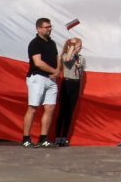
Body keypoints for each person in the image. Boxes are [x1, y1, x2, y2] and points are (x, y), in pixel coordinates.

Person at [23, 18, 59, 148]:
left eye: (50, 26)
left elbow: (56, 58)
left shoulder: (52, 43)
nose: (49, 29)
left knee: (50, 108)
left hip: (51, 79)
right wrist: (54, 71)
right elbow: (38, 62)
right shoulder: (35, 43)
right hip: (37, 77)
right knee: (33, 108)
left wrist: (57, 71)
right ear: (39, 28)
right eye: (47, 27)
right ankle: (26, 139)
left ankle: (43, 138)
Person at [53, 37, 85, 147]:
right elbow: (67, 60)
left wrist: (80, 90)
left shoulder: (81, 58)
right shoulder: (65, 56)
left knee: (70, 112)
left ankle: (64, 137)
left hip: (76, 84)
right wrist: (72, 46)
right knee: (62, 111)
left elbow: (81, 75)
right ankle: (57, 137)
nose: (81, 48)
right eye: (79, 46)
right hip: (67, 83)